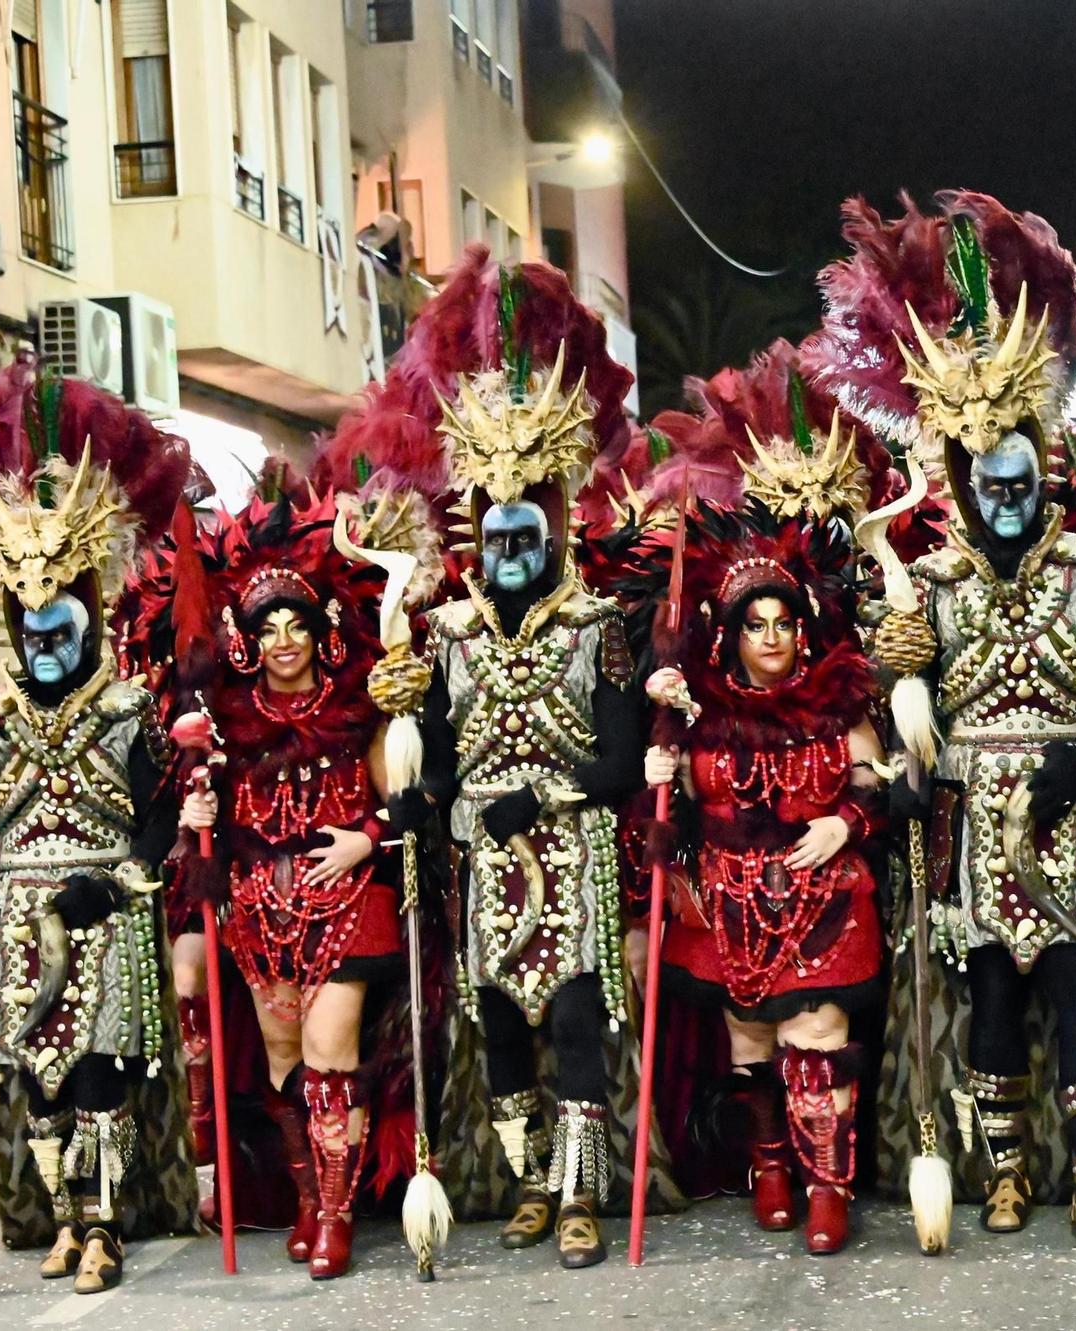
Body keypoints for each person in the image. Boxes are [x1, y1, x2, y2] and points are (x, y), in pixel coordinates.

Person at [829, 192, 1076, 1253]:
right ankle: (1006, 1173)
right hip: (973, 808)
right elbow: (899, 704)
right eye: (987, 486)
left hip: (1075, 802)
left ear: (1038, 470)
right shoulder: (929, 583)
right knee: (993, 998)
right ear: (964, 482)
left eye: (1020, 483)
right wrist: (917, 775)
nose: (1006, 501)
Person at [353, 250, 648, 1267]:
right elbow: (433, 758)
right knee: (499, 1029)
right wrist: (415, 799)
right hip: (482, 871)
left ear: (557, 529)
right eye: (497, 538)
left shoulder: (599, 626)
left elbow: (618, 761)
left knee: (572, 1023)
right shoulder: (445, 635)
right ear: (477, 536)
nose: (512, 555)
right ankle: (531, 1180)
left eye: (529, 537)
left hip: (571, 863)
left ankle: (580, 1195)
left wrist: (541, 797)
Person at [0, 359, 197, 1293]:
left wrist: (119, 882)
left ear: (85, 606)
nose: (40, 639)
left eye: (53, 620)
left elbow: (161, 828)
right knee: (33, 1076)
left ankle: (106, 1221)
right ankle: (63, 1217)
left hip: (104, 906)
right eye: (25, 624)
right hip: (25, 906)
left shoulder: (127, 711)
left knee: (99, 1071)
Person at [641, 506, 885, 1255]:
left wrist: (846, 821)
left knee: (817, 1046)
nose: (772, 637)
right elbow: (668, 818)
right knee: (750, 1047)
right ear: (732, 632)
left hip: (827, 905)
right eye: (757, 624)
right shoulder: (696, 712)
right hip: (727, 907)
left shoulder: (841, 703)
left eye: (783, 622)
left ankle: (826, 1187)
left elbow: (884, 792)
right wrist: (658, 777)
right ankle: (769, 1168)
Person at [173, 493, 404, 1280]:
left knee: (329, 1050)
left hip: (346, 901)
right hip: (258, 910)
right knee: (281, 1061)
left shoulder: (358, 711)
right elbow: (208, 824)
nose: (281, 642)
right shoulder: (224, 723)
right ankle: (307, 1195)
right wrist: (198, 805)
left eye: (295, 625)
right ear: (248, 640)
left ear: (319, 633)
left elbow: (399, 806)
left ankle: (337, 1216)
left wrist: (364, 839)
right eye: (266, 628)